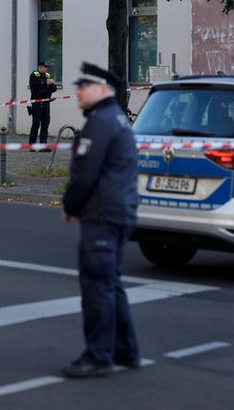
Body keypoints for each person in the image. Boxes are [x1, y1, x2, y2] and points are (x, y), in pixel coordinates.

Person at [60, 62, 140, 378]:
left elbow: (84, 174)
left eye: (83, 86)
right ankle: (126, 350)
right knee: (111, 284)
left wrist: (70, 205)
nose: (77, 92)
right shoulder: (117, 119)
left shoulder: (101, 123)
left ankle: (98, 356)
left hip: (103, 214)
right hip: (119, 211)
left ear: (101, 89)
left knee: (97, 287)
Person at [28, 60, 57, 146]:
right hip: (36, 103)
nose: (46, 69)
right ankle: (32, 145)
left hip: (46, 103)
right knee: (36, 124)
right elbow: (35, 87)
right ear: (40, 67)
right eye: (44, 67)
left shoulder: (47, 76)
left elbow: (54, 89)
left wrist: (51, 84)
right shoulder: (34, 75)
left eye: (46, 67)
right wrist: (45, 83)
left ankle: (43, 145)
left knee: (45, 123)